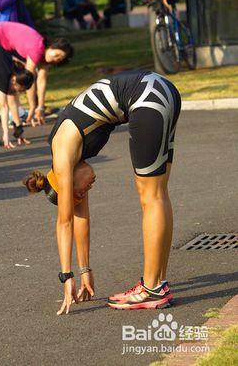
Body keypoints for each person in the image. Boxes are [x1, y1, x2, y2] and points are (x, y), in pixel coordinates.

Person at [23, 71, 180, 313]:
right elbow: (80, 220)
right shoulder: (73, 157)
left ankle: (150, 289)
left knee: (150, 195)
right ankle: (158, 284)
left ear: (64, 184)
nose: (88, 189)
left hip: (147, 97)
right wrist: (86, 270)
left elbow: (64, 222)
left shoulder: (62, 153)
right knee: (158, 194)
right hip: (162, 91)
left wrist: (67, 277)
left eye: (81, 191)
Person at [0, 21, 73, 125]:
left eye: (59, 59)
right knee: (7, 77)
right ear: (52, 46)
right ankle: (13, 115)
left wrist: (40, 107)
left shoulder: (45, 57)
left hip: (5, 43)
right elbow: (29, 79)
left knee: (12, 75)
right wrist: (33, 107)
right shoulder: (37, 48)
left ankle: (7, 113)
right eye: (56, 55)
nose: (55, 59)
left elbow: (41, 81)